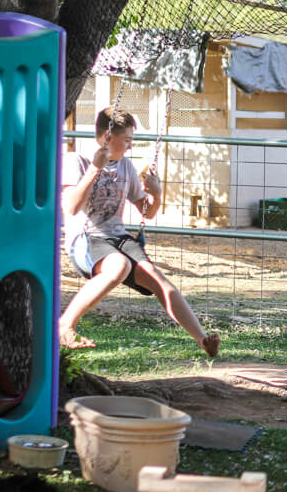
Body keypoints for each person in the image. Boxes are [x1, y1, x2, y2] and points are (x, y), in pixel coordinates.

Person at [59, 107, 219, 356]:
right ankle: (65, 325)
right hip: (87, 237)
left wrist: (156, 194)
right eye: (127, 141)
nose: (130, 148)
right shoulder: (76, 160)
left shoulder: (126, 167)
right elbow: (70, 207)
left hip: (117, 238)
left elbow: (147, 211)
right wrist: (94, 169)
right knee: (119, 266)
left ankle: (202, 339)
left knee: (158, 280)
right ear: (107, 137)